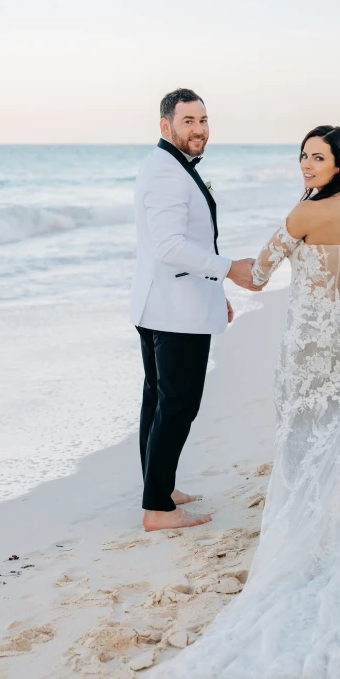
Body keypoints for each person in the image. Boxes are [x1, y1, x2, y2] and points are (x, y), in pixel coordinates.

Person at [142, 124, 340, 679]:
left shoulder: (305, 214)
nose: (307, 166)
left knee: (300, 438)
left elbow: (259, 277)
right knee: (339, 434)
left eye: (318, 158)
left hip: (310, 341)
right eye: (303, 156)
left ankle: (310, 534)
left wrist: (213, 270)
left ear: (339, 163)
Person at [130, 88, 262, 532]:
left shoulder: (167, 166)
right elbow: (170, 247)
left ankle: (159, 489)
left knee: (160, 400)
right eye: (188, 121)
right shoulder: (168, 173)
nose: (199, 129)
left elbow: (184, 244)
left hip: (162, 303)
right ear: (165, 126)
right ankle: (158, 510)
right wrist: (229, 271)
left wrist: (213, 290)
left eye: (203, 120)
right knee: (178, 405)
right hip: (175, 311)